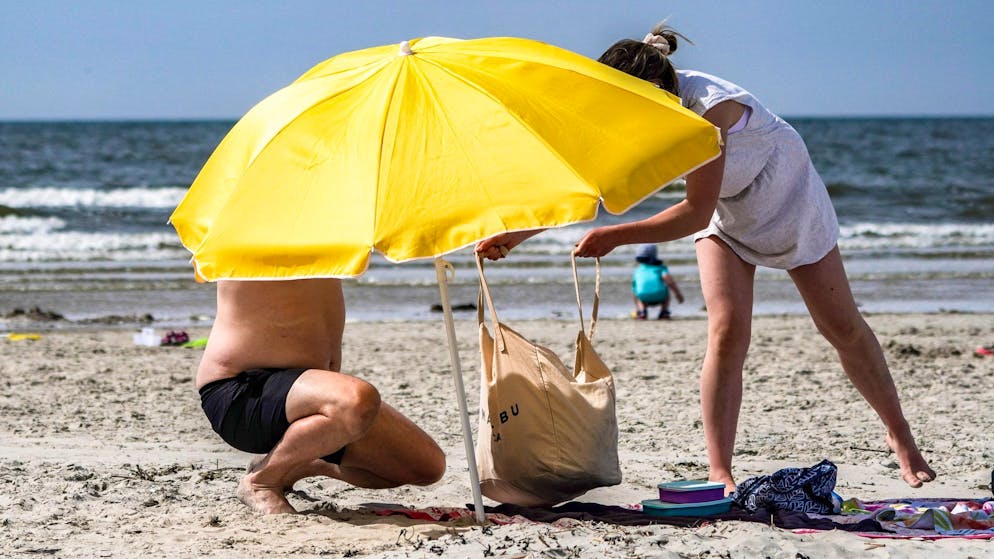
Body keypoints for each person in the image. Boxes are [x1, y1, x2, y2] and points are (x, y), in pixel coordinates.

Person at [477, 23, 934, 494]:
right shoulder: (631, 114)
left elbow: (693, 212)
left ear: (656, 96)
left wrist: (616, 236)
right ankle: (720, 469)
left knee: (841, 327)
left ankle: (900, 437)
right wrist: (517, 234)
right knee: (727, 331)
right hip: (727, 212)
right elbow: (588, 184)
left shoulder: (709, 110)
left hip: (787, 196)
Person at [196, 279, 445, 514]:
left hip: (308, 393)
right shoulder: (246, 234)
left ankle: (301, 461)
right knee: (356, 400)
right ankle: (263, 481)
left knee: (427, 466)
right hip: (243, 391)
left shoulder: (330, 237)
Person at [632, 244, 685, 320]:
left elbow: (634, 287)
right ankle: (664, 311)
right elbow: (669, 281)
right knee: (667, 289)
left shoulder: (638, 270)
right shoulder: (661, 268)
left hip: (643, 297)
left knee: (636, 291)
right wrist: (678, 294)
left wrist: (637, 307)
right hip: (660, 296)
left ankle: (642, 311)